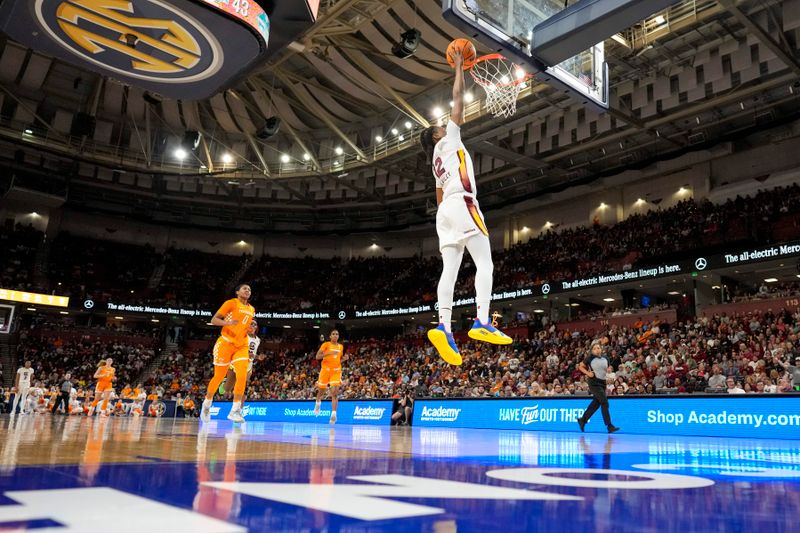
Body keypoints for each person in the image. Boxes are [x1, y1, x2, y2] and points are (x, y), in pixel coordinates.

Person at [419, 48, 512, 365]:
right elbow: (458, 100)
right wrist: (459, 67)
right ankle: (482, 321)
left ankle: (443, 326)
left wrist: (449, 219)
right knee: (485, 265)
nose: (444, 126)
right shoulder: (448, 140)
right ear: (435, 135)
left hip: (444, 212)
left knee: (451, 269)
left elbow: (438, 193)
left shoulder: (434, 161)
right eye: (439, 127)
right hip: (462, 202)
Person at [200, 284, 255, 423]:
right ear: (237, 292)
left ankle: (235, 410)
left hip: (242, 345)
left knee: (242, 375)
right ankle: (206, 404)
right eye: (245, 288)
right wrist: (228, 322)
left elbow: (243, 325)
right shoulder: (231, 303)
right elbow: (214, 320)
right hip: (225, 343)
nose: (247, 291)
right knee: (219, 376)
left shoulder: (252, 309)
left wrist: (246, 329)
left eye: (249, 289)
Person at [577, 340, 620, 433]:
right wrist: (588, 373)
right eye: (595, 348)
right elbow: (580, 366)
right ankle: (609, 426)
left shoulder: (606, 358)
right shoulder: (589, 358)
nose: (597, 350)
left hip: (603, 383)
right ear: (592, 351)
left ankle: (583, 420)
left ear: (601, 349)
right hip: (594, 382)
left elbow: (605, 370)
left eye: (598, 348)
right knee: (604, 402)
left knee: (596, 403)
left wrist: (607, 377)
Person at [219, 320, 260, 398]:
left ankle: (237, 406)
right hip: (237, 362)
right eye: (251, 324)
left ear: (256, 327)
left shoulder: (258, 340)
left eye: (254, 324)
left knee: (241, 387)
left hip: (248, 365)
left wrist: (256, 356)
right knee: (226, 391)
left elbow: (253, 353)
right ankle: (225, 383)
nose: (252, 326)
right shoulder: (242, 336)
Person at [314, 329, 345, 424]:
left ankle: (333, 414)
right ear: (330, 336)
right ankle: (318, 403)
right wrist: (328, 353)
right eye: (333, 334)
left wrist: (344, 359)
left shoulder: (341, 347)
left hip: (336, 371)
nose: (335, 335)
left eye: (337, 334)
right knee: (321, 392)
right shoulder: (326, 345)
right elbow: (317, 357)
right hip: (325, 371)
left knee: (334, 392)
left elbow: (338, 360)